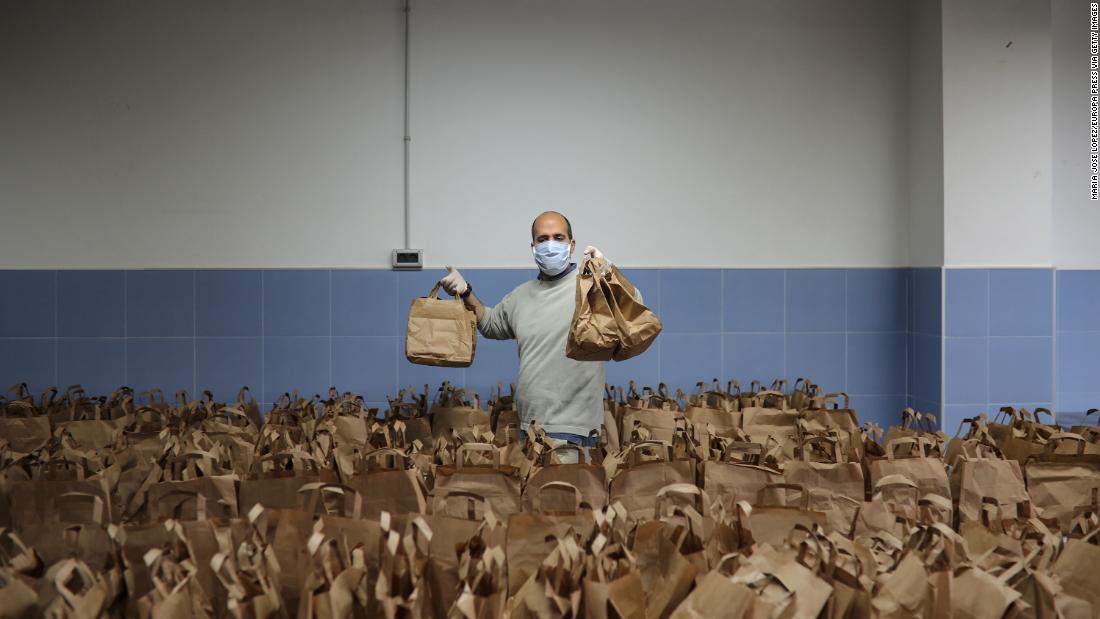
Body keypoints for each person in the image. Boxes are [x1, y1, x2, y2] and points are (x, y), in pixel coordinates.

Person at [438, 211, 641, 448]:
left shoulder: (590, 286)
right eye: (543, 239)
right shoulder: (520, 296)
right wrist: (465, 292)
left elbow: (633, 307)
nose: (550, 245)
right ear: (533, 246)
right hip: (529, 427)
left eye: (558, 237)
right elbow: (491, 324)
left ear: (572, 245)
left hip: (575, 428)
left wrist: (607, 271)